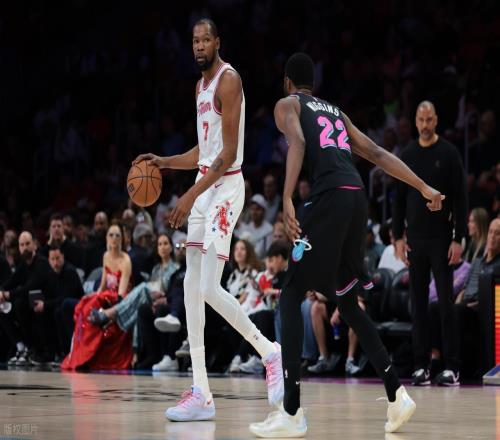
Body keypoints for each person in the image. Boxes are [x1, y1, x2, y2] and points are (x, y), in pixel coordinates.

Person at [250, 53, 445, 437]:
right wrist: (423, 186)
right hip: (356, 196)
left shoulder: (287, 104)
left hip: (330, 197)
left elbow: (298, 141)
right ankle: (397, 395)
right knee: (347, 300)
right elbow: (377, 154)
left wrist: (287, 197)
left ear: (288, 82)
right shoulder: (336, 112)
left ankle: (291, 412)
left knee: (290, 293)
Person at [133, 18, 282, 422]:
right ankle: (201, 391)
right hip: (205, 185)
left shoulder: (228, 81)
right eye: (194, 41)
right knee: (190, 285)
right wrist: (164, 163)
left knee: (210, 288)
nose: (199, 46)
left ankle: (269, 351)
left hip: (226, 187)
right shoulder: (199, 87)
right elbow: (204, 151)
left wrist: (189, 195)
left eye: (205, 40)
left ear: (217, 42)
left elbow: (228, 154)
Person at [393, 101, 467, 387]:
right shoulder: (408, 154)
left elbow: (461, 199)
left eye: (429, 120)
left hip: (442, 239)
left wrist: (458, 238)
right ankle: (421, 365)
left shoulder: (449, 153)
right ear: (415, 121)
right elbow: (399, 199)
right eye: (420, 120)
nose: (424, 125)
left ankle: (452, 366)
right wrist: (398, 237)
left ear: (436, 120)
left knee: (446, 304)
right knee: (419, 304)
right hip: (415, 240)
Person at [61, 224, 133, 370]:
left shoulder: (126, 260)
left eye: (117, 235)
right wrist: (93, 296)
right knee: (84, 305)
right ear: (106, 238)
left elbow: (121, 293)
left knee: (90, 308)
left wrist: (100, 299)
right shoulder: (106, 256)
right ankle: (81, 355)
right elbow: (102, 285)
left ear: (122, 239)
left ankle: (85, 356)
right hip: (105, 295)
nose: (114, 238)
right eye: (111, 235)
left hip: (119, 299)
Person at [87, 234, 178, 337]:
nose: (162, 247)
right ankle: (112, 320)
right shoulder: (156, 268)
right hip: (150, 296)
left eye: (165, 244)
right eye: (159, 244)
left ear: (171, 248)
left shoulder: (175, 268)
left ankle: (109, 314)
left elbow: (171, 290)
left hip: (162, 297)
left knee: (143, 287)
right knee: (138, 302)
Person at [0, 231, 53, 365]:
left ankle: (36, 350)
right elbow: (12, 281)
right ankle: (21, 347)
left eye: (27, 244)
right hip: (29, 304)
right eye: (22, 245)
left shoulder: (41, 263)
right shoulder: (23, 264)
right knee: (3, 310)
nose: (25, 247)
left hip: (45, 304)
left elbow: (29, 287)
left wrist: (8, 295)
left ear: (34, 245)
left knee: (19, 304)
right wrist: (1, 291)